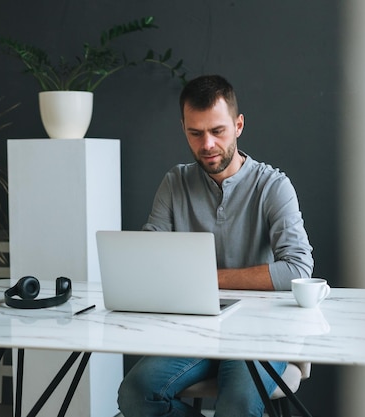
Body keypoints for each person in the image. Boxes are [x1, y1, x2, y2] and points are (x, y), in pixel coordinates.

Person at [117, 74, 314, 417]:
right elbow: (149, 257)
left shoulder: (273, 186)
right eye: (195, 133)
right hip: (194, 331)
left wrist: (208, 278)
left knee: (236, 405)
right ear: (184, 129)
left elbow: (297, 268)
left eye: (217, 131)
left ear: (238, 125)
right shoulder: (174, 183)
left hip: (261, 332)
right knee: (135, 394)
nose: (207, 144)